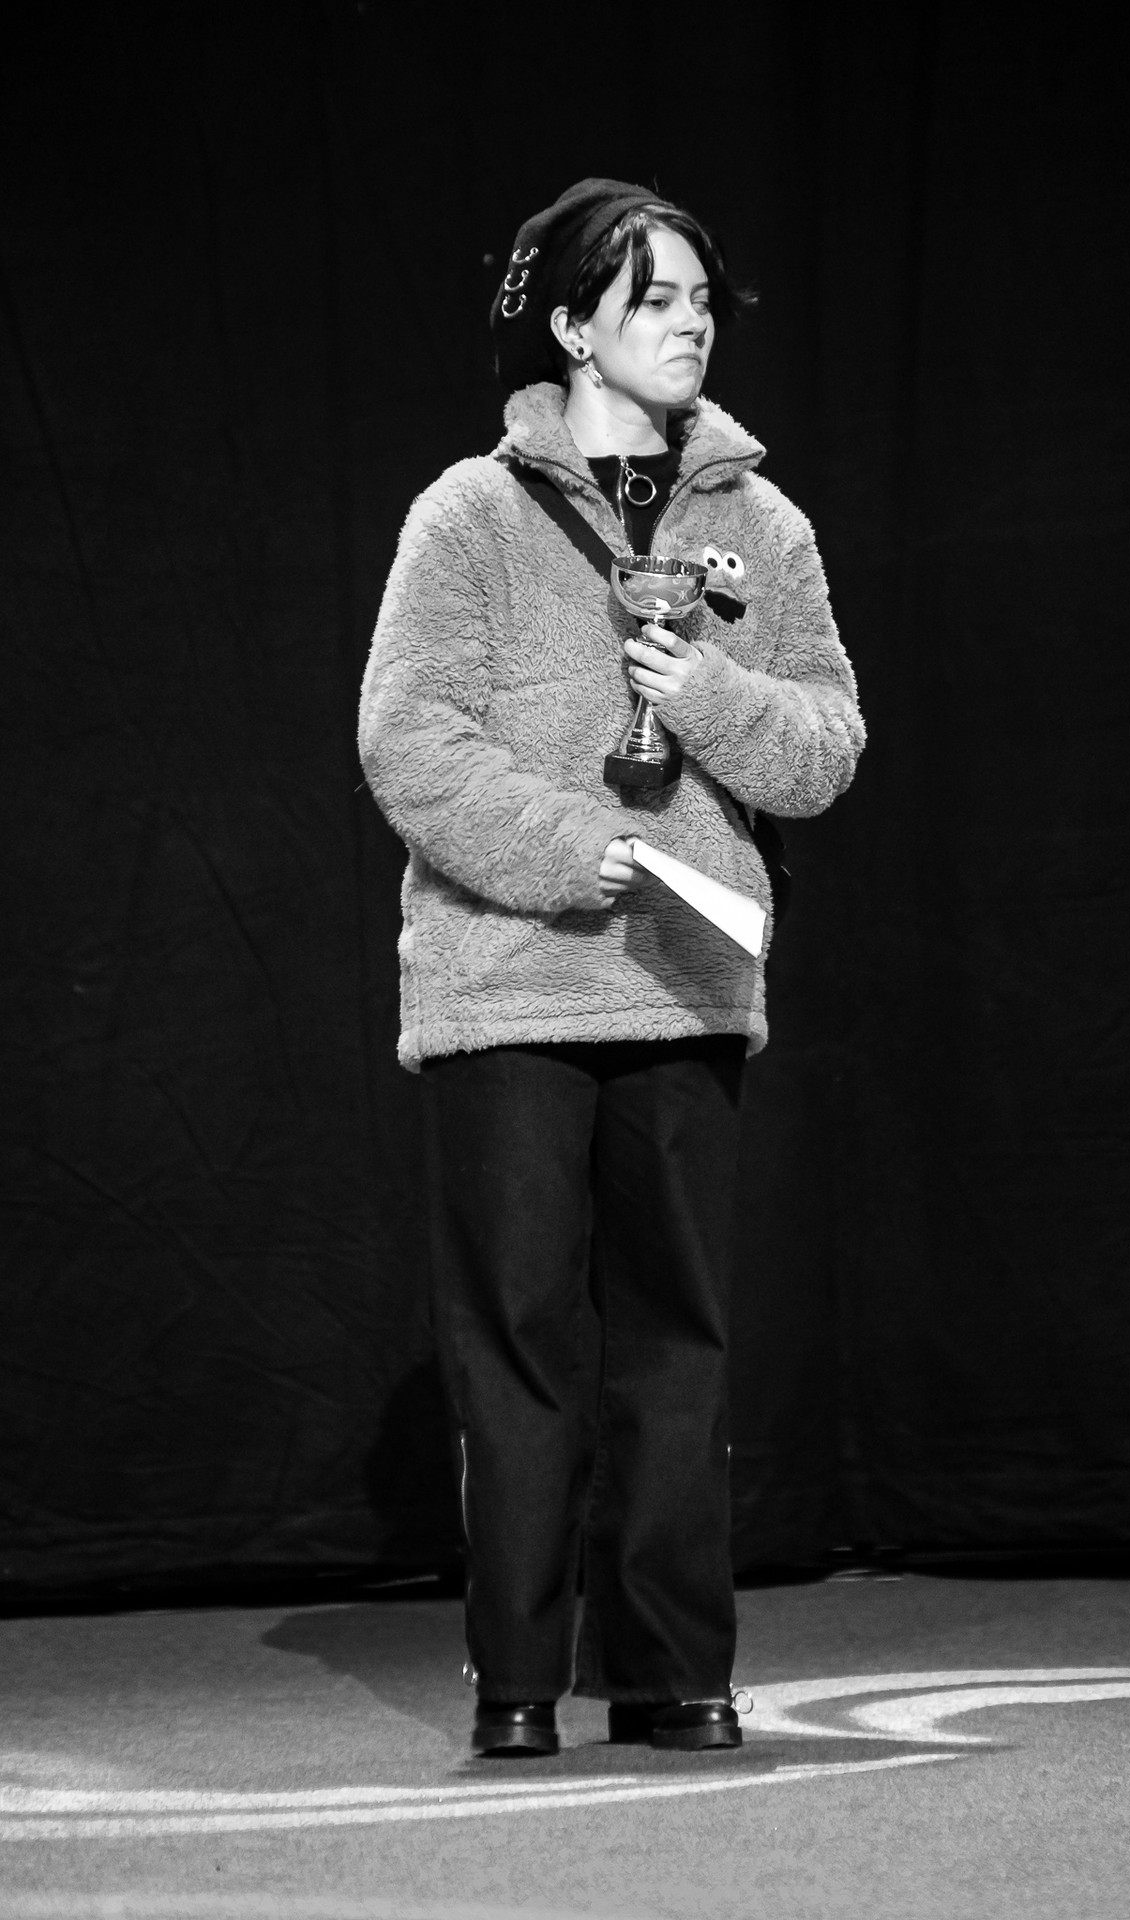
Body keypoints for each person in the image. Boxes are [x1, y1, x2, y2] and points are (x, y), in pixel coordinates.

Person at [358, 178, 865, 1759]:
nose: (692, 322)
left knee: (675, 1350)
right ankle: (518, 1682)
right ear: (574, 326)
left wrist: (704, 692)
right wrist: (565, 847)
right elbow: (408, 737)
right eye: (655, 298)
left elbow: (827, 748)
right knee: (520, 1344)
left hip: (688, 981)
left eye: (704, 298)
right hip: (511, 979)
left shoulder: (762, 527)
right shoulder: (469, 515)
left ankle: (671, 1672)